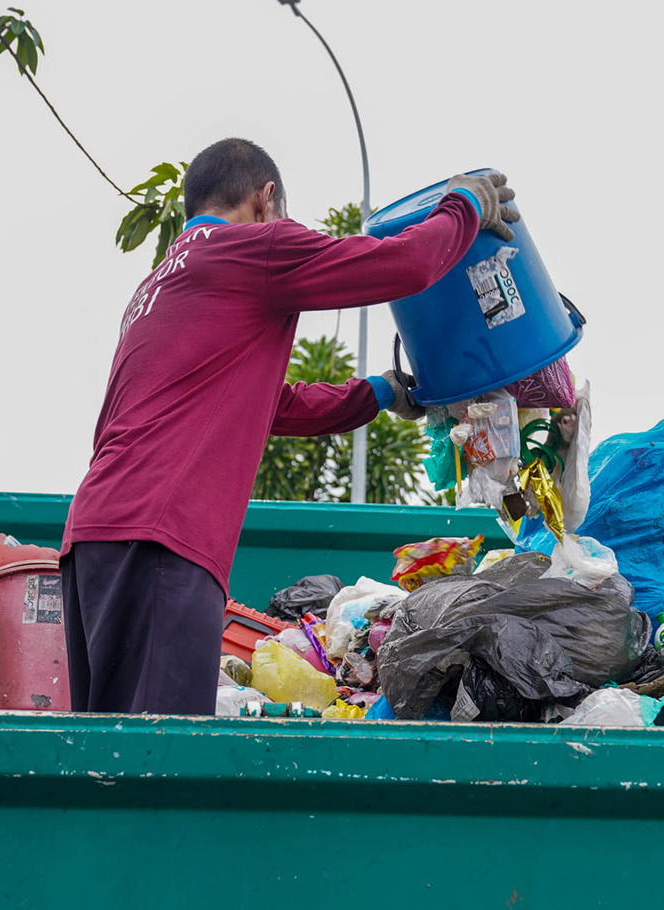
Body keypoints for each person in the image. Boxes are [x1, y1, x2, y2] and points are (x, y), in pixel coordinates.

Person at [59, 137, 517, 714]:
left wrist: (376, 394)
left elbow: (269, 405)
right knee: (156, 761)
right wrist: (466, 205)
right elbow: (403, 264)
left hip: (90, 543)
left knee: (106, 757)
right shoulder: (255, 246)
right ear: (265, 199)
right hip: (159, 538)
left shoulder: (161, 285)